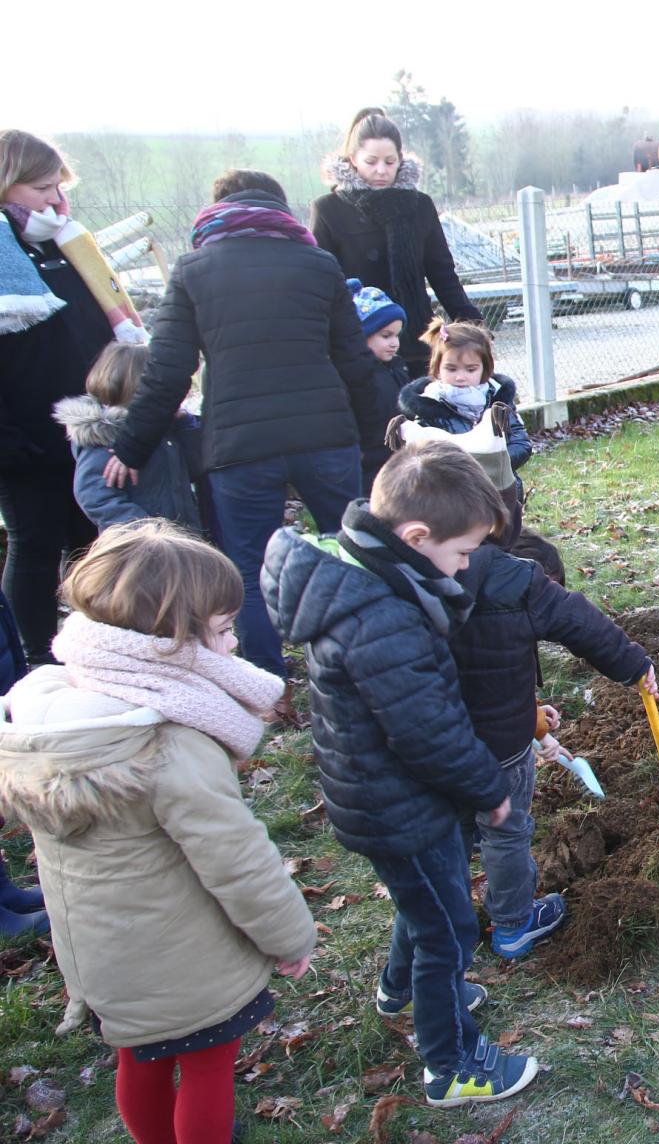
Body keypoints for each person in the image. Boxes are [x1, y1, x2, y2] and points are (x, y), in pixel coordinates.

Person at [0, 520, 315, 1144]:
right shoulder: (168, 747)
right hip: (185, 961)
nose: (230, 647)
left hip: (100, 959)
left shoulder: (49, 713)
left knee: (139, 1058)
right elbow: (237, 859)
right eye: (221, 632)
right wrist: (290, 937)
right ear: (172, 642)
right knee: (206, 1069)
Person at [261, 443, 537, 1106]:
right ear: (417, 537)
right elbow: (427, 732)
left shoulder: (368, 577)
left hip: (382, 796)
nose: (466, 566)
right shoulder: (380, 617)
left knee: (425, 903)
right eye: (462, 552)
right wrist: (489, 791)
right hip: (400, 805)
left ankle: (398, 989)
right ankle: (451, 1065)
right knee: (448, 930)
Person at [104, 171, 388, 715]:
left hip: (239, 445)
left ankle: (268, 689)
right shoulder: (318, 264)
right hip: (324, 435)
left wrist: (129, 448)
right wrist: (378, 435)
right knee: (350, 549)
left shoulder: (193, 270)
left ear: (217, 210)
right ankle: (367, 669)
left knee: (251, 569)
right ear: (282, 211)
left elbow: (167, 371)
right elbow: (355, 360)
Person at [448, 541, 656, 959]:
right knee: (506, 832)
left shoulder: (418, 574)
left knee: (450, 831)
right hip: (501, 749)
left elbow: (482, 672)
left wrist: (537, 724)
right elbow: (581, 623)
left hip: (439, 741)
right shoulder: (517, 581)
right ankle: (514, 924)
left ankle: (449, 925)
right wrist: (633, 664)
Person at [0, 130, 114, 664]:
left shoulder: (62, 244)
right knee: (36, 547)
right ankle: (35, 663)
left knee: (92, 543)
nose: (54, 200)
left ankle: (95, 650)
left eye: (58, 188)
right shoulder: (7, 254)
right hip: (23, 435)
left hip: (85, 427)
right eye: (42, 187)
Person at [310, 108, 481, 375]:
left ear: (401, 159)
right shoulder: (329, 210)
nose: (381, 170)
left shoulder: (419, 206)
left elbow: (442, 272)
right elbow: (322, 282)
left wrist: (472, 324)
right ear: (353, 159)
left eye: (390, 162)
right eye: (372, 161)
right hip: (359, 344)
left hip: (418, 341)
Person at [393, 319, 533, 537]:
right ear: (437, 368)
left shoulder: (498, 402)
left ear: (485, 368)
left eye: (470, 369)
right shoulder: (428, 406)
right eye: (451, 368)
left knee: (504, 541)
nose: (460, 376)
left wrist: (494, 463)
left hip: (501, 490)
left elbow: (521, 443)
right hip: (452, 496)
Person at [54, 343, 202, 535]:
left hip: (184, 538)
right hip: (139, 546)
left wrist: (185, 424)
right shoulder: (106, 436)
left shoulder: (165, 430)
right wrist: (145, 529)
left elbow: (197, 466)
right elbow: (94, 495)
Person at [353, 281, 411, 490]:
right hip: (370, 455)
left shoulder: (397, 367)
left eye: (396, 335)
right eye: (386, 336)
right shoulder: (358, 373)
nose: (394, 342)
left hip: (399, 450)